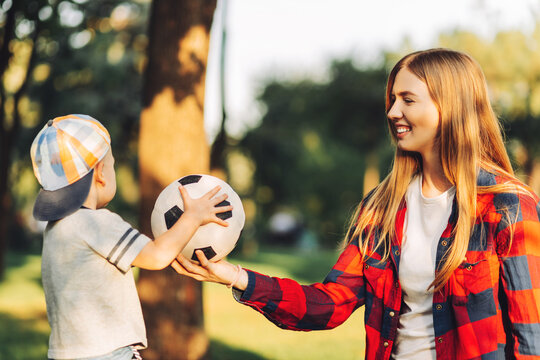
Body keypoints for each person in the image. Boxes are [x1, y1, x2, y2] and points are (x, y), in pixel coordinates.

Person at [172, 48, 540, 359]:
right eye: (393, 100)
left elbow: (531, 336)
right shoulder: (382, 208)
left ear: (452, 108)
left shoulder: (508, 206)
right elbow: (329, 304)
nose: (393, 111)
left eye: (408, 100)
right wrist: (235, 276)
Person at [30, 114, 232, 360]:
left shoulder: (55, 229)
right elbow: (157, 256)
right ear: (101, 173)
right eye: (112, 164)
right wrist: (193, 216)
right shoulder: (98, 223)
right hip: (107, 354)